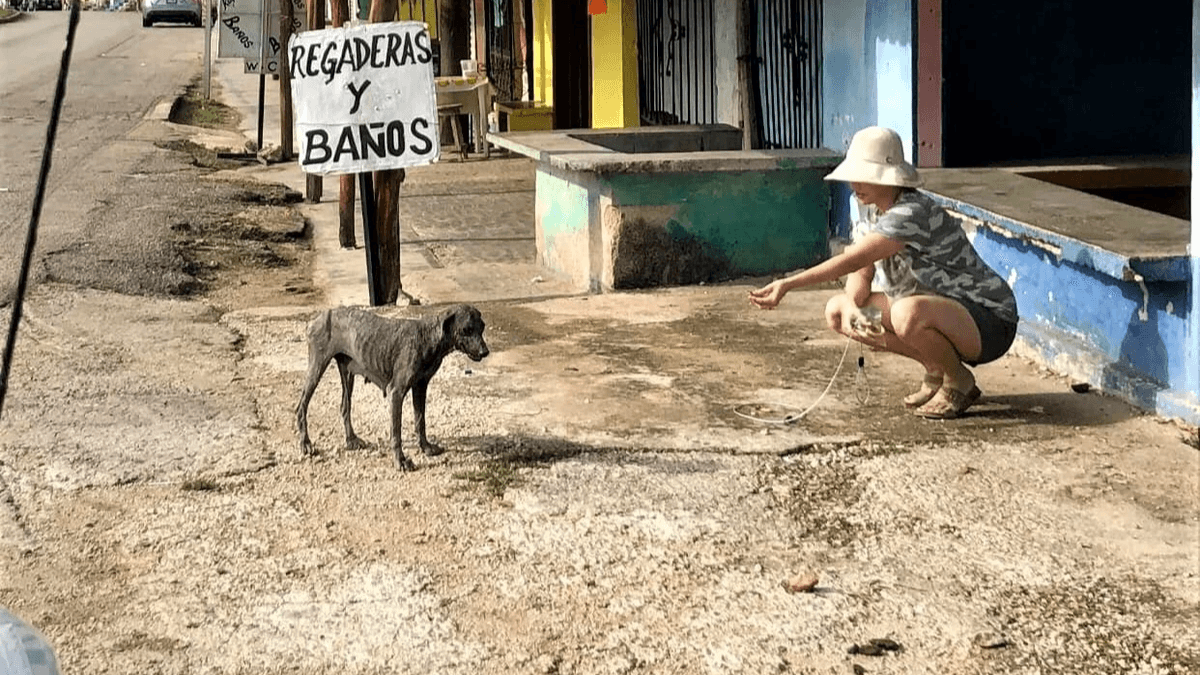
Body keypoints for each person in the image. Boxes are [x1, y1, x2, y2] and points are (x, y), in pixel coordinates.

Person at [748, 126, 1018, 419]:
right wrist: (858, 300)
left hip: (988, 320)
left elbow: (851, 260)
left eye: (864, 176)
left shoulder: (910, 212)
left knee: (906, 314)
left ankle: (958, 380)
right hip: (937, 312)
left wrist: (788, 284)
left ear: (889, 178)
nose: (854, 184)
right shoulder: (875, 212)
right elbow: (858, 278)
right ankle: (935, 368)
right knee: (840, 312)